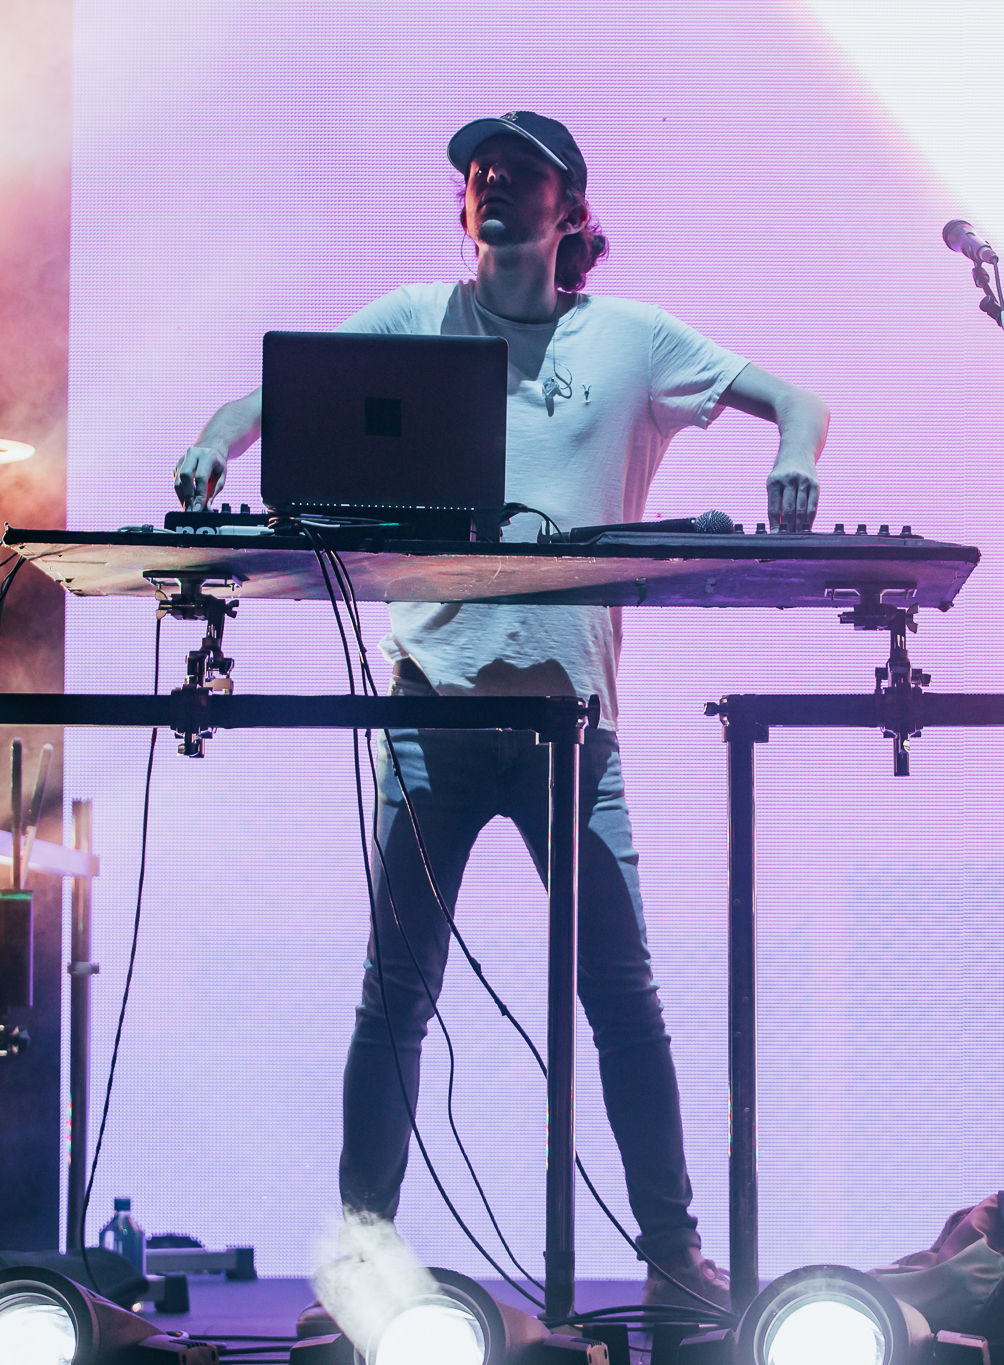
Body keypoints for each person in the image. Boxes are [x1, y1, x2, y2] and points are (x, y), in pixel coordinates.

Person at [173, 111, 827, 1308]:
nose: (493, 185)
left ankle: (672, 1258)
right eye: (480, 173)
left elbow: (797, 400)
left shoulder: (632, 339)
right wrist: (213, 445)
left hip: (570, 731)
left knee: (621, 1001)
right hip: (431, 718)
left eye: (520, 174)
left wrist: (793, 457)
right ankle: (360, 1261)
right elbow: (266, 400)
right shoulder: (415, 319)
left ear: (569, 208)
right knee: (395, 997)